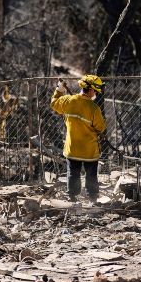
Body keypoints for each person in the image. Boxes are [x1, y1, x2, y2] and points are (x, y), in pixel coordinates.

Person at [51, 74, 107, 202]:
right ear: (91, 90)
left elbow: (54, 103)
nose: (96, 94)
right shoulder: (94, 108)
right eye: (96, 91)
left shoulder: (68, 101)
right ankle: (92, 198)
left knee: (73, 174)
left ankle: (72, 197)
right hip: (90, 151)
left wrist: (59, 89)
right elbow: (100, 127)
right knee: (91, 175)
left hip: (73, 149)